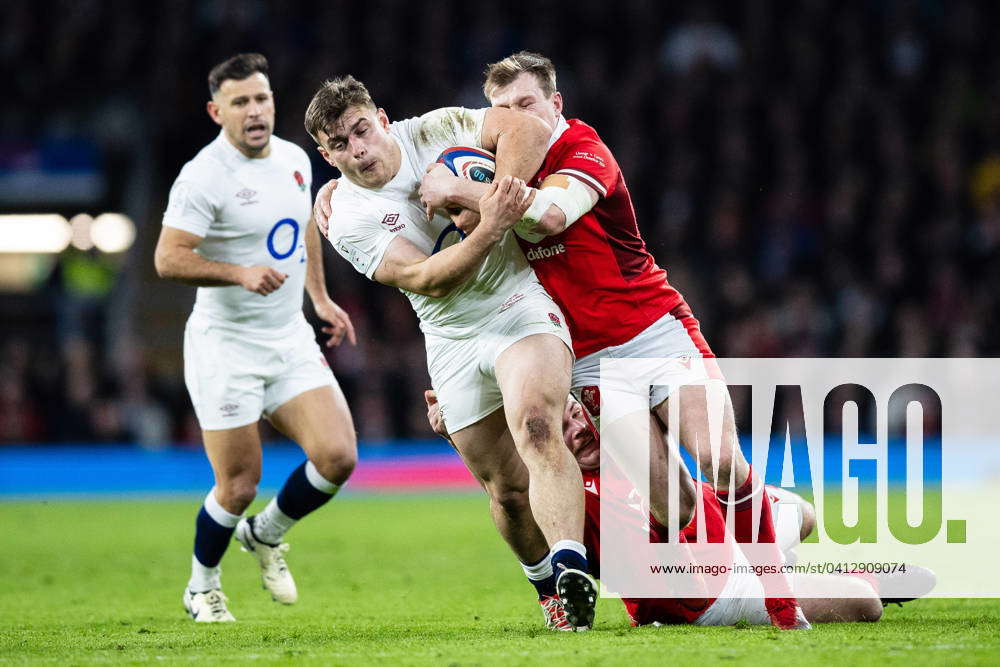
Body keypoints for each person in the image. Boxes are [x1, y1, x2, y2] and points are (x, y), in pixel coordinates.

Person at [316, 52, 804, 628]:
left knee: (719, 460)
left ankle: (783, 601)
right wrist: (339, 195)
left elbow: (545, 218)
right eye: (500, 110)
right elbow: (417, 258)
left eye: (527, 106)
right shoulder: (448, 170)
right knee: (672, 508)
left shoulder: (582, 151)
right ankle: (780, 518)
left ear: (556, 105)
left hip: (651, 331)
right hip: (589, 360)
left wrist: (470, 194)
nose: (514, 120)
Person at [303, 76, 597, 630]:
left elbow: (525, 128)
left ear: (382, 118)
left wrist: (498, 193)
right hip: (451, 337)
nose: (358, 149)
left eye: (361, 130)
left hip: (517, 302)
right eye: (340, 144)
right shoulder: (343, 214)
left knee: (537, 425)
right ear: (326, 153)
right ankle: (547, 589)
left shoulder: (436, 130)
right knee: (505, 491)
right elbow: (425, 278)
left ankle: (571, 566)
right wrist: (493, 223)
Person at [427, 391, 934, 628]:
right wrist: (458, 435)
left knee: (801, 511)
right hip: (709, 594)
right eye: (562, 429)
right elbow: (506, 492)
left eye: (577, 416)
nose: (577, 430)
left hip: (724, 534)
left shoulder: (621, 433)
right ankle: (858, 578)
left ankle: (787, 569)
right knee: (862, 606)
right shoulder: (563, 492)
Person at [154, 53, 358, 623]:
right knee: (239, 483)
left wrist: (318, 298)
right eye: (240, 102)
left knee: (338, 456)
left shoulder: (294, 159)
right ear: (217, 111)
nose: (254, 110)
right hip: (226, 347)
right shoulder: (204, 176)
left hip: (288, 336)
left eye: (261, 98)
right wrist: (238, 272)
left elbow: (305, 229)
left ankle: (266, 535)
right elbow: (168, 258)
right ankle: (202, 586)